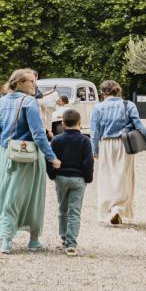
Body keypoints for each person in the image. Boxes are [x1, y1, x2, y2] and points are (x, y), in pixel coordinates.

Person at [0, 68, 61, 255]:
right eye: (31, 81)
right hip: (28, 155)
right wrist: (52, 157)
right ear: (19, 83)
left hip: (7, 153)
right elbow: (38, 134)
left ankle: (6, 239)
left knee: (7, 195)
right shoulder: (29, 102)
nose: (35, 84)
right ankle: (33, 239)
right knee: (32, 198)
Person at [90, 79, 146, 225]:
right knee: (124, 176)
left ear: (103, 92)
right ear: (118, 90)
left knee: (106, 176)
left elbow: (94, 132)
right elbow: (138, 125)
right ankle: (119, 208)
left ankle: (109, 209)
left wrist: (94, 150)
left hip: (106, 144)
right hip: (125, 144)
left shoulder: (98, 107)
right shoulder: (128, 105)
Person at [48, 108, 94, 256]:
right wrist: (88, 178)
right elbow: (88, 162)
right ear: (80, 124)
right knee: (75, 211)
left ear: (62, 123)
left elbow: (49, 159)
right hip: (78, 178)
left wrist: (52, 175)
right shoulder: (85, 141)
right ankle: (71, 243)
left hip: (61, 178)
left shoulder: (56, 140)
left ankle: (63, 237)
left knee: (63, 209)